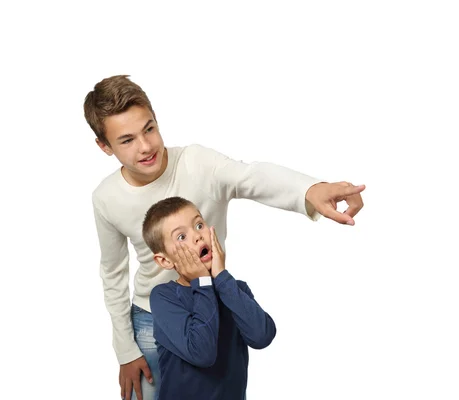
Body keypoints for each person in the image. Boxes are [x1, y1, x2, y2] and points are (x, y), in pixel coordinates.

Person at [84, 74, 365, 400]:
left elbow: (251, 176)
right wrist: (125, 350)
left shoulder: (196, 162)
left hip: (215, 303)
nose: (146, 146)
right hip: (151, 315)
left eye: (149, 128)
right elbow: (113, 272)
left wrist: (310, 189)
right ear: (105, 146)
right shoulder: (106, 197)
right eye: (127, 140)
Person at [143, 196, 275, 399]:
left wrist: (221, 278)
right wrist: (203, 282)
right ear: (165, 260)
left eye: (199, 225)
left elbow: (262, 336)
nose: (197, 236)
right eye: (181, 237)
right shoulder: (164, 297)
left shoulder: (234, 288)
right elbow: (202, 354)